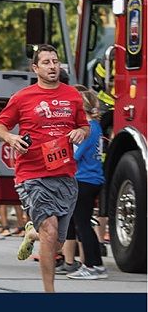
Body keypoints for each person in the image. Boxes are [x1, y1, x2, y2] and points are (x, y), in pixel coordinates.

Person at [0, 44, 89, 293]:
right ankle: (49, 294)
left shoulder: (72, 95)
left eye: (55, 61)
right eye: (46, 62)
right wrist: (11, 139)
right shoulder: (23, 97)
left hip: (65, 176)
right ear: (35, 68)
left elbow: (84, 126)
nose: (52, 66)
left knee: (55, 241)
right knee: (50, 230)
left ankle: (32, 234)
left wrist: (81, 131)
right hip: (32, 175)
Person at [65, 86, 107, 280]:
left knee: (82, 225)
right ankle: (97, 265)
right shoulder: (96, 128)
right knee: (85, 224)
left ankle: (89, 266)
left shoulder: (86, 130)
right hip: (94, 179)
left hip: (83, 180)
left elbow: (75, 156)